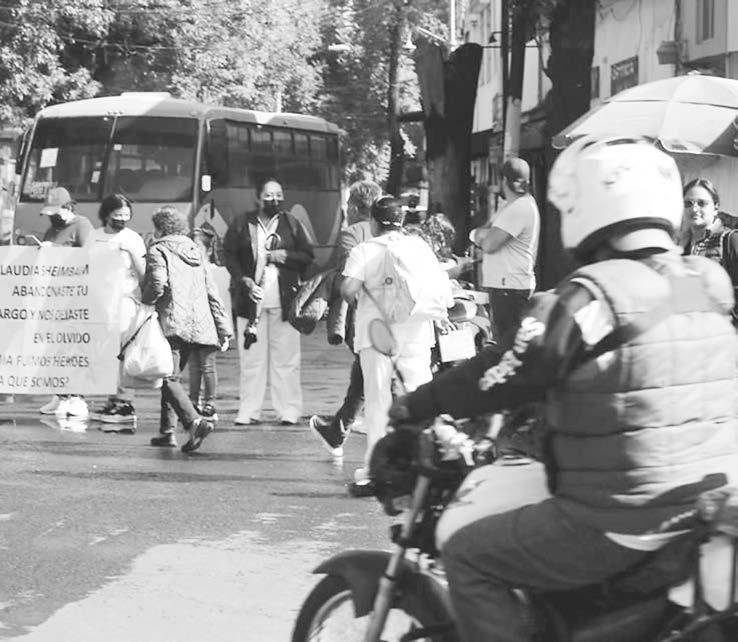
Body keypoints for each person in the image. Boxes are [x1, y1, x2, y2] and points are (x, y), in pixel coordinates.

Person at [385, 137, 738, 642]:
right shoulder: (705, 284)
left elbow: (505, 370)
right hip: (705, 501)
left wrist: (415, 404)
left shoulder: (588, 297)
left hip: (622, 515)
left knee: (468, 555)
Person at [341, 195, 453, 496]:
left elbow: (348, 288)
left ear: (373, 222)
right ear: (401, 221)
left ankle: (376, 472)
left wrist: (361, 295)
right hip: (416, 329)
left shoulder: (365, 250)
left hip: (377, 332)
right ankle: (426, 466)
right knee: (419, 396)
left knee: (378, 402)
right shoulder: (419, 246)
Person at [223, 177, 313, 425]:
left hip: (285, 303)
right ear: (258, 198)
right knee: (251, 361)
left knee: (287, 361)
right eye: (269, 195)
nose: (275, 199)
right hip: (250, 304)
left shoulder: (291, 223)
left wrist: (284, 256)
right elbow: (229, 255)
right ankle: (248, 411)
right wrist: (244, 281)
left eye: (279, 195)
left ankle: (288, 411)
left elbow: (308, 256)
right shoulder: (242, 223)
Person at [142, 206, 231, 453]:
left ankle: (194, 422)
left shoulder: (158, 249)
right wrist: (223, 328)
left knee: (167, 377)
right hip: (199, 325)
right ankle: (166, 431)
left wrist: (145, 301)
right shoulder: (195, 251)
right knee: (172, 378)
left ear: (161, 228)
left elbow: (157, 282)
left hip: (173, 323)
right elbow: (212, 291)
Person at [309, 179, 382, 457]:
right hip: (390, 315)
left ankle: (376, 435)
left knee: (376, 375)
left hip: (364, 314)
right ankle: (337, 431)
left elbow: (349, 277)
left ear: (353, 207)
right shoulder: (397, 235)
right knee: (363, 373)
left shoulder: (351, 234)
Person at [37, 187, 95, 418]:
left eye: (56, 213)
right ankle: (61, 396)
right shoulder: (52, 230)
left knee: (73, 349)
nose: (52, 217)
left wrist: (55, 250)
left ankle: (77, 399)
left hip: (75, 299)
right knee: (55, 349)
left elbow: (88, 256)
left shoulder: (82, 225)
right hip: (53, 298)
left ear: (69, 207)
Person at [89, 194, 146, 427]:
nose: (122, 219)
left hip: (124, 302)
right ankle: (112, 399)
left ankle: (125, 401)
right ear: (106, 214)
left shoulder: (132, 239)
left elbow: (143, 273)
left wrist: (130, 252)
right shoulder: (94, 236)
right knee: (106, 353)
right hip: (99, 303)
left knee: (122, 352)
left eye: (126, 215)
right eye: (117, 215)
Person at [472, 157, 540, 344]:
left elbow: (489, 244)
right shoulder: (509, 206)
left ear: (503, 181)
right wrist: (482, 234)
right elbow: (488, 229)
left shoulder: (519, 207)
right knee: (505, 343)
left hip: (510, 288)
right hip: (508, 287)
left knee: (506, 346)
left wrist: (478, 235)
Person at [188, 225, 233, 419]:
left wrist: (224, 331)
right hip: (191, 325)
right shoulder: (187, 270)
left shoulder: (217, 272)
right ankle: (193, 401)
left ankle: (209, 402)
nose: (192, 251)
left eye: (197, 247)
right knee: (194, 367)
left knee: (207, 365)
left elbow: (221, 303)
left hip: (210, 326)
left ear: (208, 250)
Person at [681, 177, 738, 320]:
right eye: (688, 203)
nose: (694, 209)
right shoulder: (678, 247)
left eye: (702, 203)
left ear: (715, 207)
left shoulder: (730, 240)